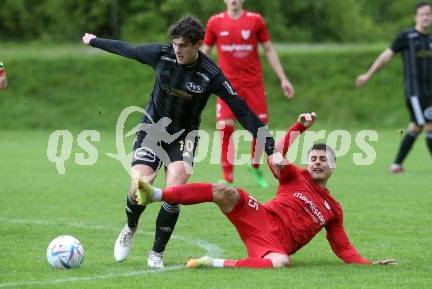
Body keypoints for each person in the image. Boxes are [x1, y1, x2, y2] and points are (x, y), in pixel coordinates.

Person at [82, 16, 284, 268]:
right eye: (175, 44)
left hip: (185, 136)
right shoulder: (162, 55)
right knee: (139, 187)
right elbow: (129, 50)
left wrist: (270, 148)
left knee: (174, 192)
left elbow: (242, 110)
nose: (177, 49)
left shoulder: (211, 74)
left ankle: (156, 253)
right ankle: (130, 227)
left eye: (184, 45)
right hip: (153, 129)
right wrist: (95, 41)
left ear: (198, 44)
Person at [135, 112, 397, 268]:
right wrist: (299, 127)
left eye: (323, 159)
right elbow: (277, 154)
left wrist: (368, 265)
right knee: (225, 190)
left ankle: (211, 262)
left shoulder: (334, 209)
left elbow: (343, 247)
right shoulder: (296, 176)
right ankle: (155, 194)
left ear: (333, 166)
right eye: (313, 159)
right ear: (308, 163)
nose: (317, 163)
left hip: (273, 245)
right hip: (260, 216)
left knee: (282, 263)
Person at [203, 0, 294, 187]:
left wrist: (283, 78)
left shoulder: (255, 20)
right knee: (225, 127)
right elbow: (205, 52)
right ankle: (227, 176)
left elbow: (268, 49)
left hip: (253, 85)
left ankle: (254, 165)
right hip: (226, 85)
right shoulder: (215, 22)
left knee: (260, 130)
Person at [356, 1, 432, 173]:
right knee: (429, 125)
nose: (426, 17)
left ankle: (396, 165)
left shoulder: (431, 39)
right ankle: (396, 165)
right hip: (415, 93)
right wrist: (368, 74)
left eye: (429, 14)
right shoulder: (406, 37)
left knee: (415, 127)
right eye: (423, 14)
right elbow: (386, 55)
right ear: (416, 17)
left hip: (430, 94)